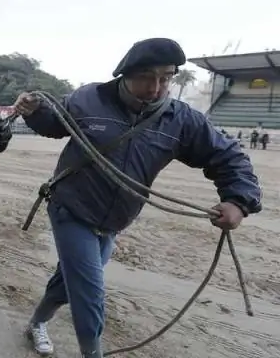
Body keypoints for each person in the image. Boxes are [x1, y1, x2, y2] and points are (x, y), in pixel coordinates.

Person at [13, 37, 262, 358]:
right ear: (125, 74)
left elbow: (228, 157)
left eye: (166, 77)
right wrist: (35, 112)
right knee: (89, 290)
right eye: (146, 76)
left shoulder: (182, 120)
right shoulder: (89, 99)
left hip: (115, 221)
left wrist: (238, 201)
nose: (156, 87)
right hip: (70, 209)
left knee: (70, 280)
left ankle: (36, 323)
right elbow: (53, 122)